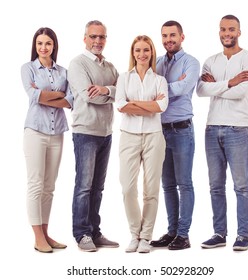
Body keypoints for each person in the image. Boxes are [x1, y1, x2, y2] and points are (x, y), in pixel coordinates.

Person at [197, 15, 248, 251]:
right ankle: (219, 233)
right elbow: (201, 90)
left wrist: (221, 85)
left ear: (239, 32)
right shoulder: (210, 60)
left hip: (237, 128)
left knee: (241, 185)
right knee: (215, 185)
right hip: (212, 129)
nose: (227, 33)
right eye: (223, 29)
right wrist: (229, 82)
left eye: (231, 29)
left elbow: (242, 92)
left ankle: (243, 235)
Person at [67, 20, 119, 252]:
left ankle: (95, 232)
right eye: (93, 37)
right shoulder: (78, 64)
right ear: (85, 38)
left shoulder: (109, 67)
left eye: (102, 37)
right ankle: (81, 234)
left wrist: (107, 90)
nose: (98, 41)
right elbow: (89, 97)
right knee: (84, 186)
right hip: (86, 132)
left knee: (98, 187)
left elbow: (124, 91)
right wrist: (110, 95)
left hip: (106, 132)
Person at [21, 27, 73, 253]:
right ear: (35, 46)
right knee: (35, 184)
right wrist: (57, 95)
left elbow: (71, 100)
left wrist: (44, 96)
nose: (43, 47)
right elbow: (33, 96)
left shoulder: (64, 71)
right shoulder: (28, 68)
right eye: (40, 43)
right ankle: (37, 237)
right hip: (35, 131)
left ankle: (46, 232)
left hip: (57, 132)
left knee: (49, 186)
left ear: (54, 46)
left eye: (48, 43)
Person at [116, 35, 168, 253]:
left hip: (154, 136)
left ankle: (146, 237)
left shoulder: (160, 80)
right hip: (128, 135)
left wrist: (133, 104)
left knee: (151, 189)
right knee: (128, 188)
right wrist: (148, 105)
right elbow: (120, 105)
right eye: (138, 50)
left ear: (152, 53)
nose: (142, 54)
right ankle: (135, 234)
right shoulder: (123, 78)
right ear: (132, 53)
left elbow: (161, 106)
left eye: (146, 50)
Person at [150, 21, 200, 250]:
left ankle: (183, 234)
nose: (168, 39)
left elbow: (182, 89)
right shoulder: (157, 63)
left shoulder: (191, 62)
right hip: (160, 131)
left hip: (181, 130)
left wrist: (160, 90)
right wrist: (169, 87)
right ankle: (171, 232)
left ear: (182, 36)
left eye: (173, 35)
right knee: (167, 185)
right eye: (164, 35)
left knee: (184, 183)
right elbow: (148, 89)